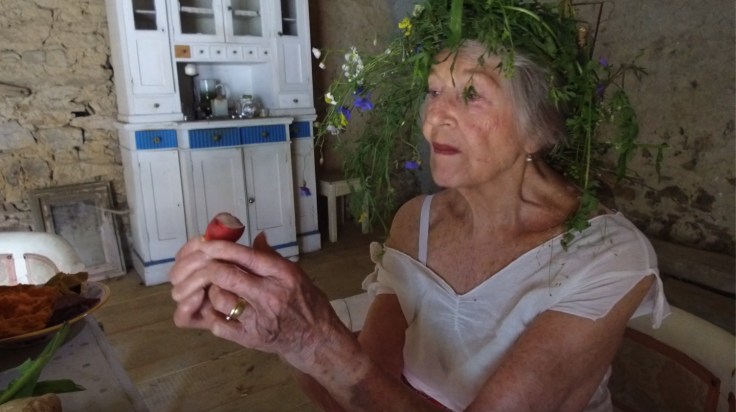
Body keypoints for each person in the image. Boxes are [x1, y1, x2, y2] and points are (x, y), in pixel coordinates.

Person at [169, 4, 669, 412]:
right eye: (433, 91)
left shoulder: (605, 256)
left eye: (471, 95)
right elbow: (370, 385)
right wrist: (280, 321)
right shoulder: (418, 221)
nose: (433, 121)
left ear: (538, 128)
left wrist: (315, 340)